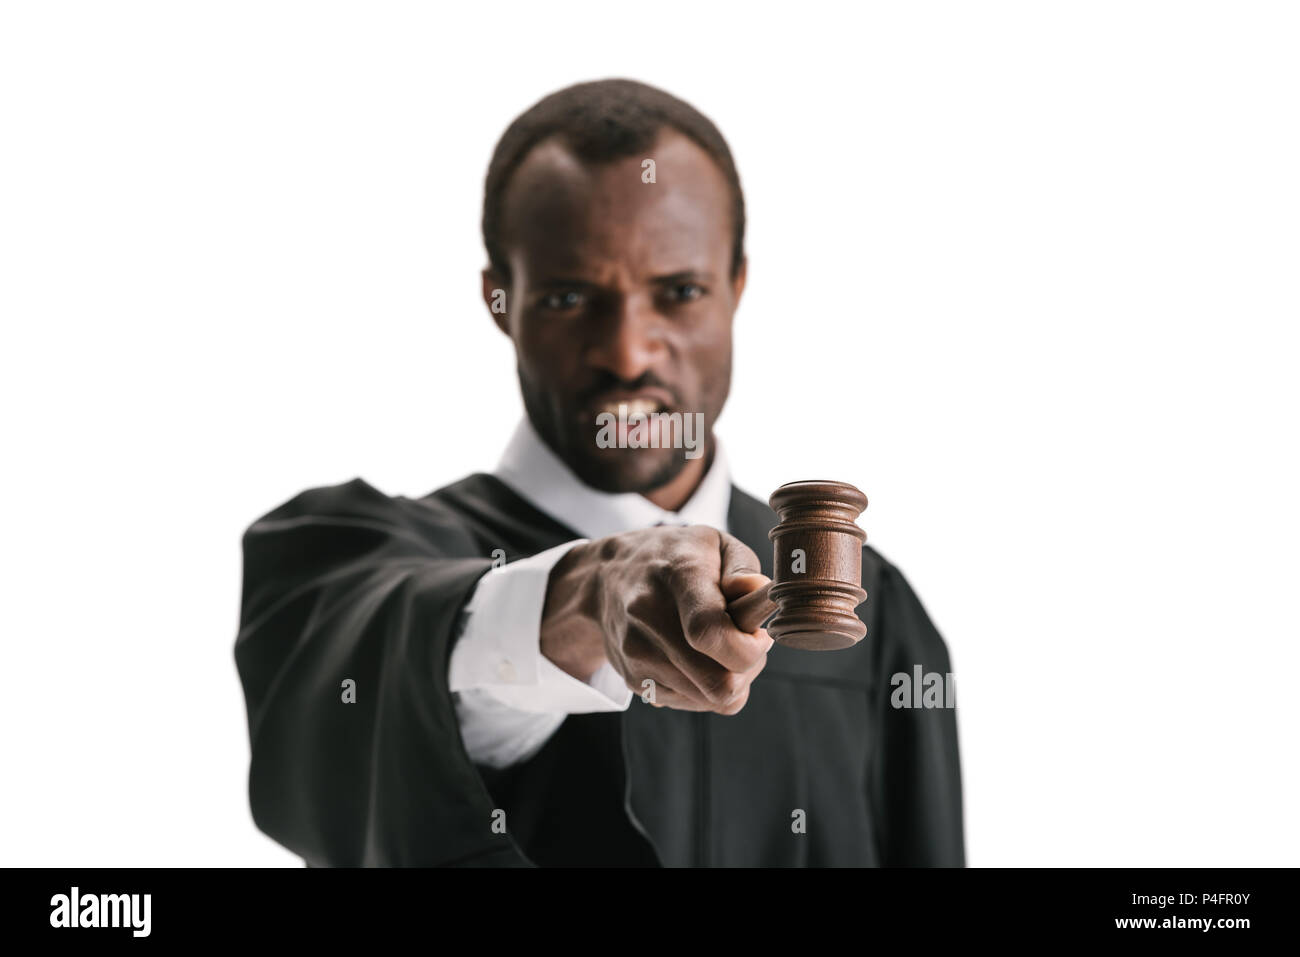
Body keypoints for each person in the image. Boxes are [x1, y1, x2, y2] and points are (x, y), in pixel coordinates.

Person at [234, 78, 965, 867]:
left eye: (679, 292)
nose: (627, 352)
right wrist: (586, 595)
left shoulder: (876, 612)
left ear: (736, 287)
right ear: (499, 300)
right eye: (569, 296)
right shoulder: (343, 577)